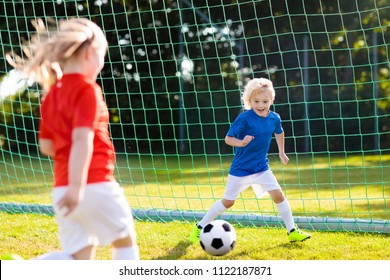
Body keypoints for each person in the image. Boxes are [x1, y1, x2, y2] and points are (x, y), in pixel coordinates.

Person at [6, 18, 139, 260]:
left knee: (79, 257)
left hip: (62, 188)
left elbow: (46, 146)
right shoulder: (88, 90)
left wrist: (71, 182)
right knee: (124, 238)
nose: (102, 62)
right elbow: (82, 139)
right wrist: (79, 187)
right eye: (102, 55)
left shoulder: (51, 95)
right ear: (90, 53)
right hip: (93, 184)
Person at [189, 77, 311, 243]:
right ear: (249, 100)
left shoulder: (274, 118)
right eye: (256, 101)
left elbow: (279, 132)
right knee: (228, 202)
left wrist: (282, 152)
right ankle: (199, 227)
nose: (261, 105)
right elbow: (228, 138)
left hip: (261, 168)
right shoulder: (244, 118)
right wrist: (241, 142)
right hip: (241, 170)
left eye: (265, 101)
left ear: (271, 100)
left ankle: (292, 231)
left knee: (279, 196)